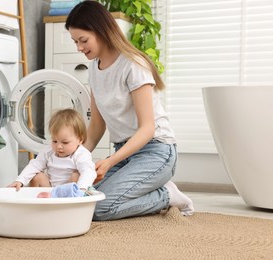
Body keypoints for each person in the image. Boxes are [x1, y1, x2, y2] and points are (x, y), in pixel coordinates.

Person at [65, 1, 194, 220]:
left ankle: (166, 195)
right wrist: (77, 160)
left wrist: (110, 161)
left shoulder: (133, 64)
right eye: (75, 41)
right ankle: (146, 189)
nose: (79, 47)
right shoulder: (94, 70)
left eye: (83, 40)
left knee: (99, 208)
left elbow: (148, 128)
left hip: (156, 151)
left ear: (101, 30)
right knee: (84, 199)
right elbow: (96, 126)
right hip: (125, 153)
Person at [8, 108, 97, 196]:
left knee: (76, 176)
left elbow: (88, 171)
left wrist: (82, 188)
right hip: (51, 191)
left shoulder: (81, 154)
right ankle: (35, 202)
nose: (58, 146)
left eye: (65, 142)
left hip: (69, 192)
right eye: (54, 141)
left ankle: (74, 198)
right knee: (37, 176)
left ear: (80, 140)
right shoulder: (49, 151)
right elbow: (35, 165)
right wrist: (20, 180)